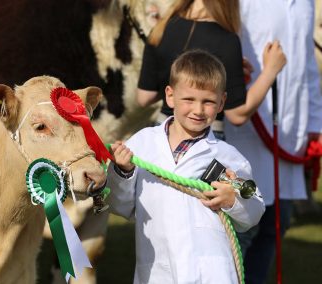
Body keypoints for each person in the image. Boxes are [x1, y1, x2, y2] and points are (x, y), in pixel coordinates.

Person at [107, 50, 265, 284]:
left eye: (208, 101)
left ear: (221, 102)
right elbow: (120, 206)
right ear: (170, 96)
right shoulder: (142, 143)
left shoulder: (229, 157)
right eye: (189, 99)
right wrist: (122, 172)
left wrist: (232, 200)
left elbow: (254, 211)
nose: (198, 110)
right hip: (158, 272)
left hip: (211, 273)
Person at [224, 0, 322, 283]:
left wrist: (315, 122)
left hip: (290, 131)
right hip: (246, 129)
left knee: (276, 226)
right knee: (242, 226)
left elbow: (306, 65)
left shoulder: (305, 3)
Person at [137, 0, 286, 139]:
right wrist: (271, 70)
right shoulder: (226, 40)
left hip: (163, 133)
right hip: (204, 139)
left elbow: (144, 97)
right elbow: (237, 114)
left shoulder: (162, 27)